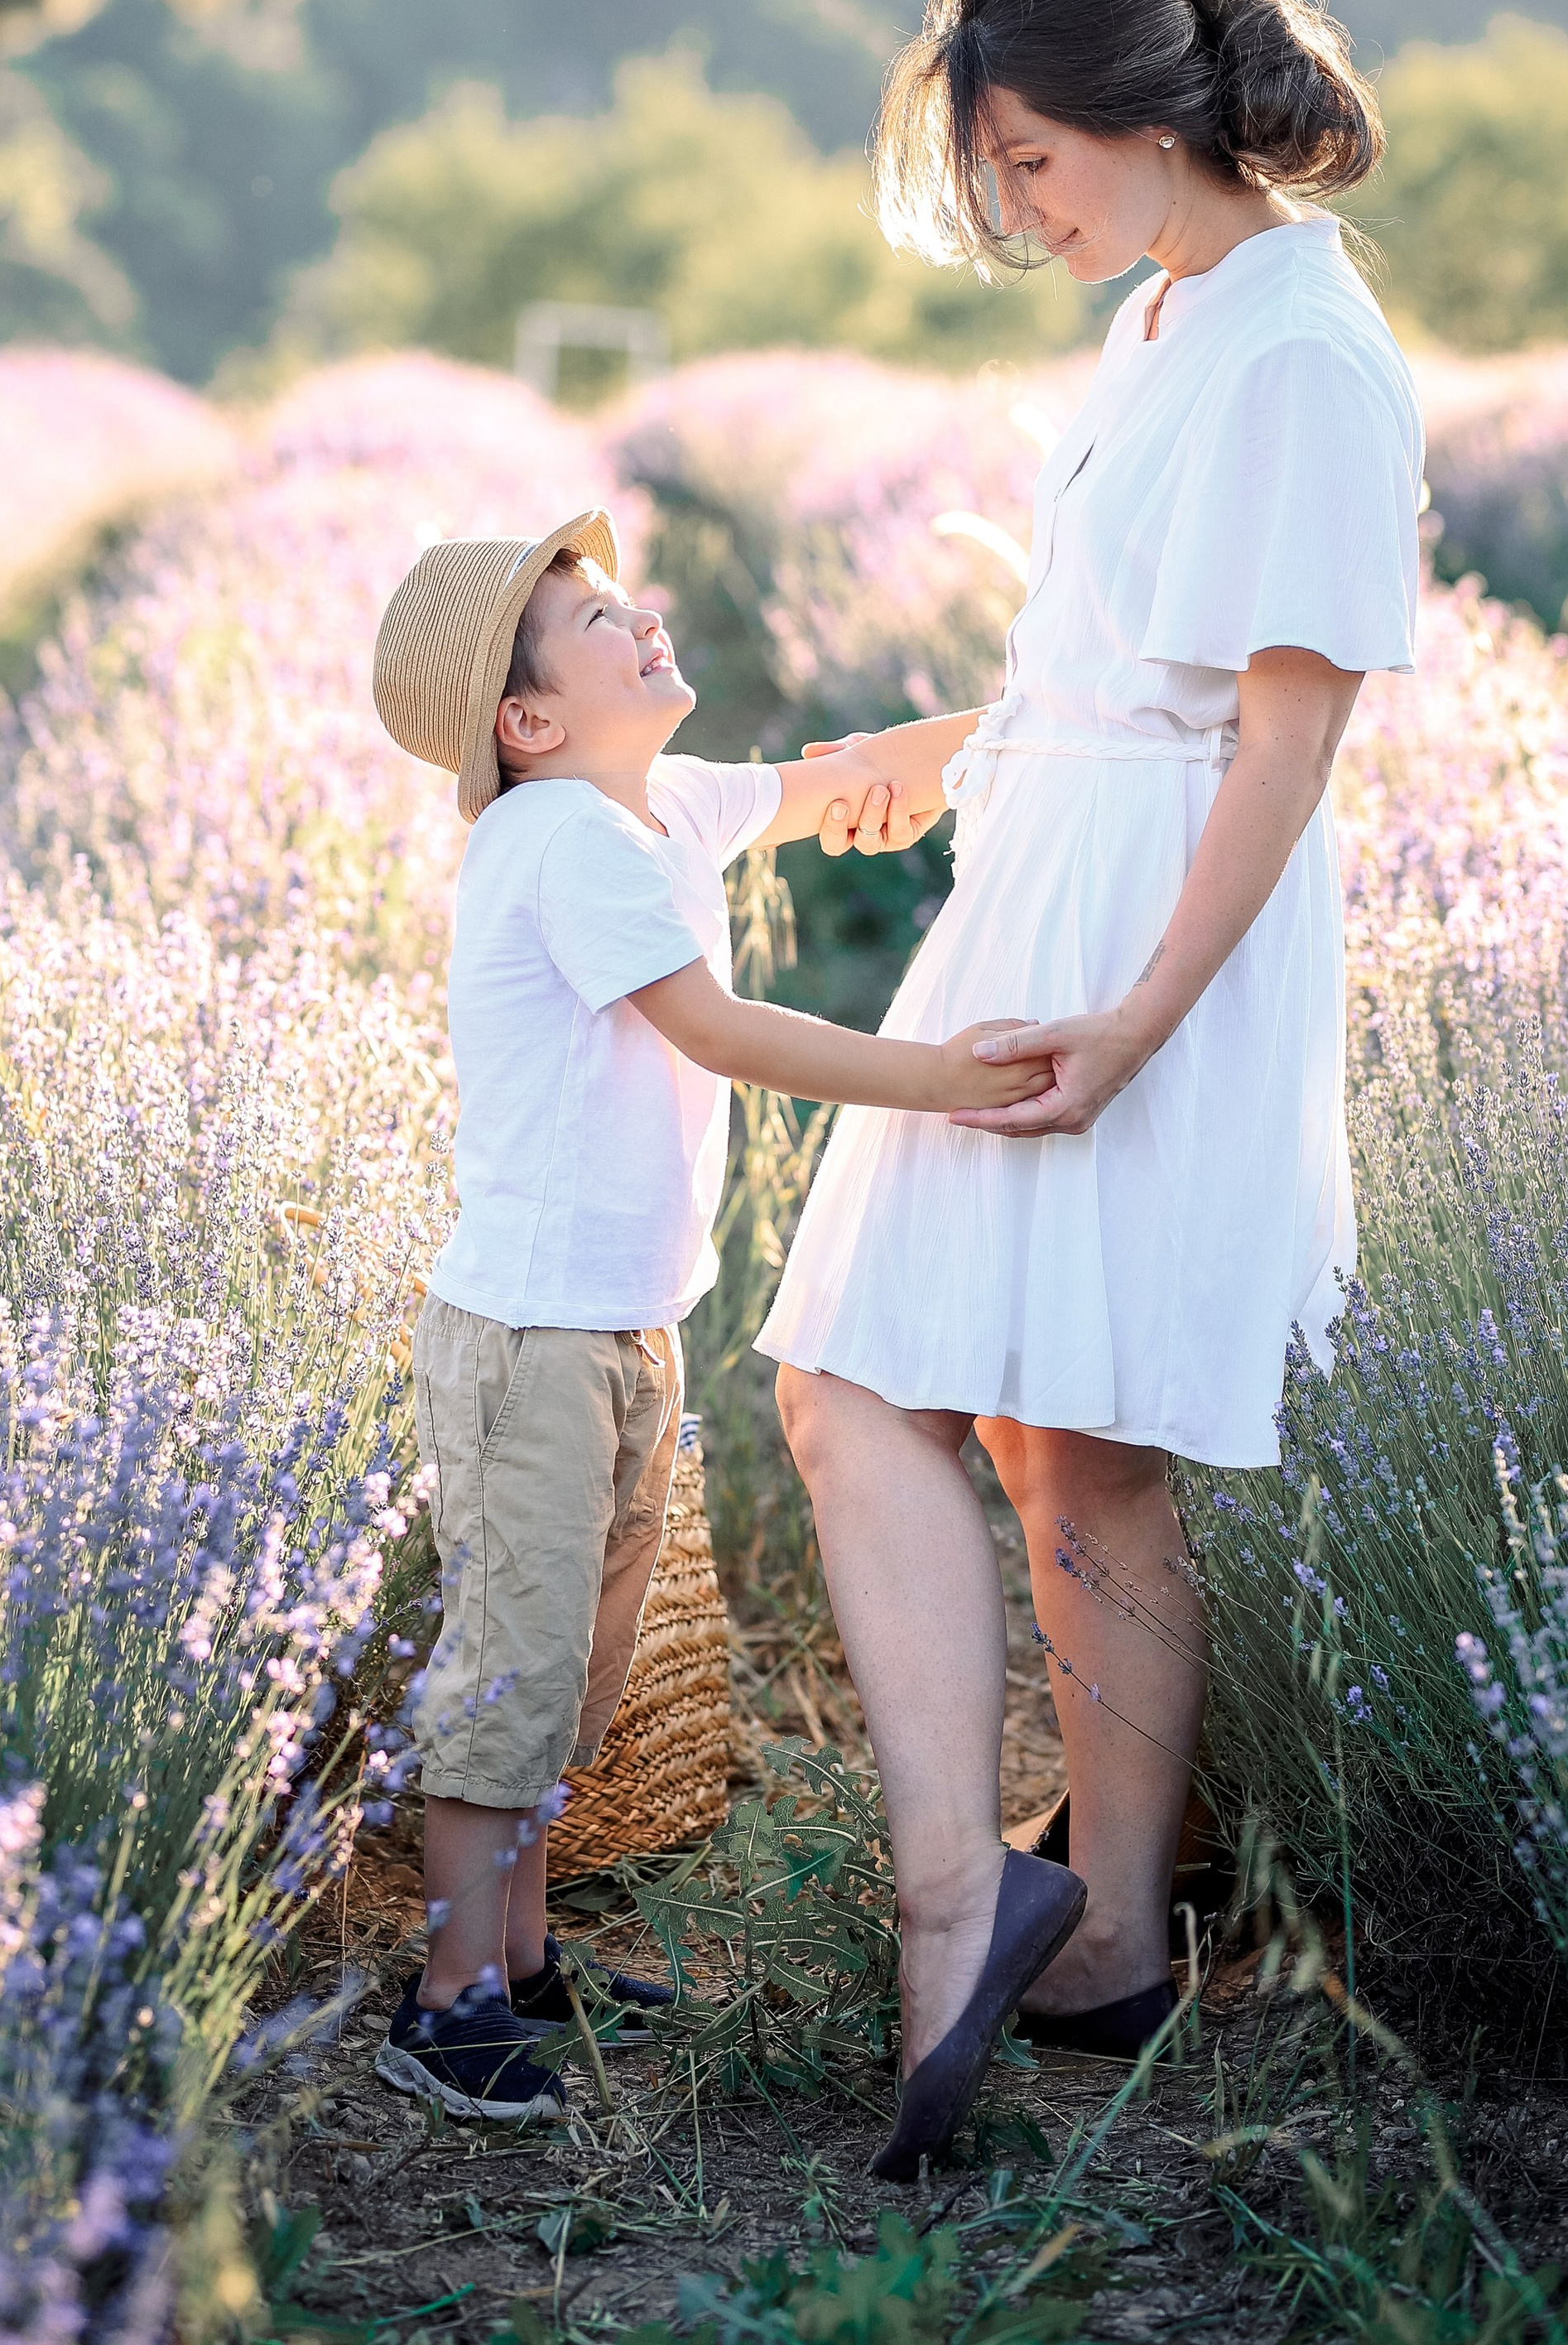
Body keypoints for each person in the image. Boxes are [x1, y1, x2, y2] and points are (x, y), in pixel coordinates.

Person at [758, 0, 1424, 2179]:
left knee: (884, 1385)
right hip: (1055, 874)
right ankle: (1111, 1945)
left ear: (1151, 116)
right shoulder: (1173, 315)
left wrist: (1144, 1019)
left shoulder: (1298, 349)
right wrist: (958, 734)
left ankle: (997, 1907)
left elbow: (1281, 737)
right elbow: (1139, 655)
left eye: (1033, 159)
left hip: (1153, 936)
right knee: (1058, 1434)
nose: (1018, 209)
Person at [367, 514, 1080, 2125]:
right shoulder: (557, 843)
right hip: (532, 1347)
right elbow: (718, 1027)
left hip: (619, 1330)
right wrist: (940, 1080)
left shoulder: (662, 800)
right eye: (597, 617)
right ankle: (446, 2000)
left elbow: (843, 780)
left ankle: (525, 1953)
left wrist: (1067, 717)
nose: (641, 617)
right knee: (510, 1676)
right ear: (529, 725)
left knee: (579, 1673)